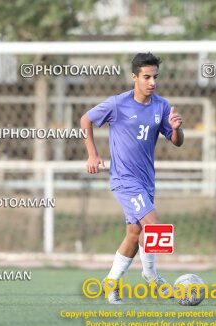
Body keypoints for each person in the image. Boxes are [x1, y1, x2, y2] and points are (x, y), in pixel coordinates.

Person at [80, 52, 184, 304]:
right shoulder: (118, 104)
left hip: (146, 180)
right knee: (155, 225)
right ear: (134, 77)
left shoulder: (161, 106)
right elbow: (86, 119)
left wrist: (178, 129)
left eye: (155, 77)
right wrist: (93, 155)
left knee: (135, 233)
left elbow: (177, 142)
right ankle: (151, 275)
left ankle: (111, 283)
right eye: (146, 77)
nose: (152, 82)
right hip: (124, 179)